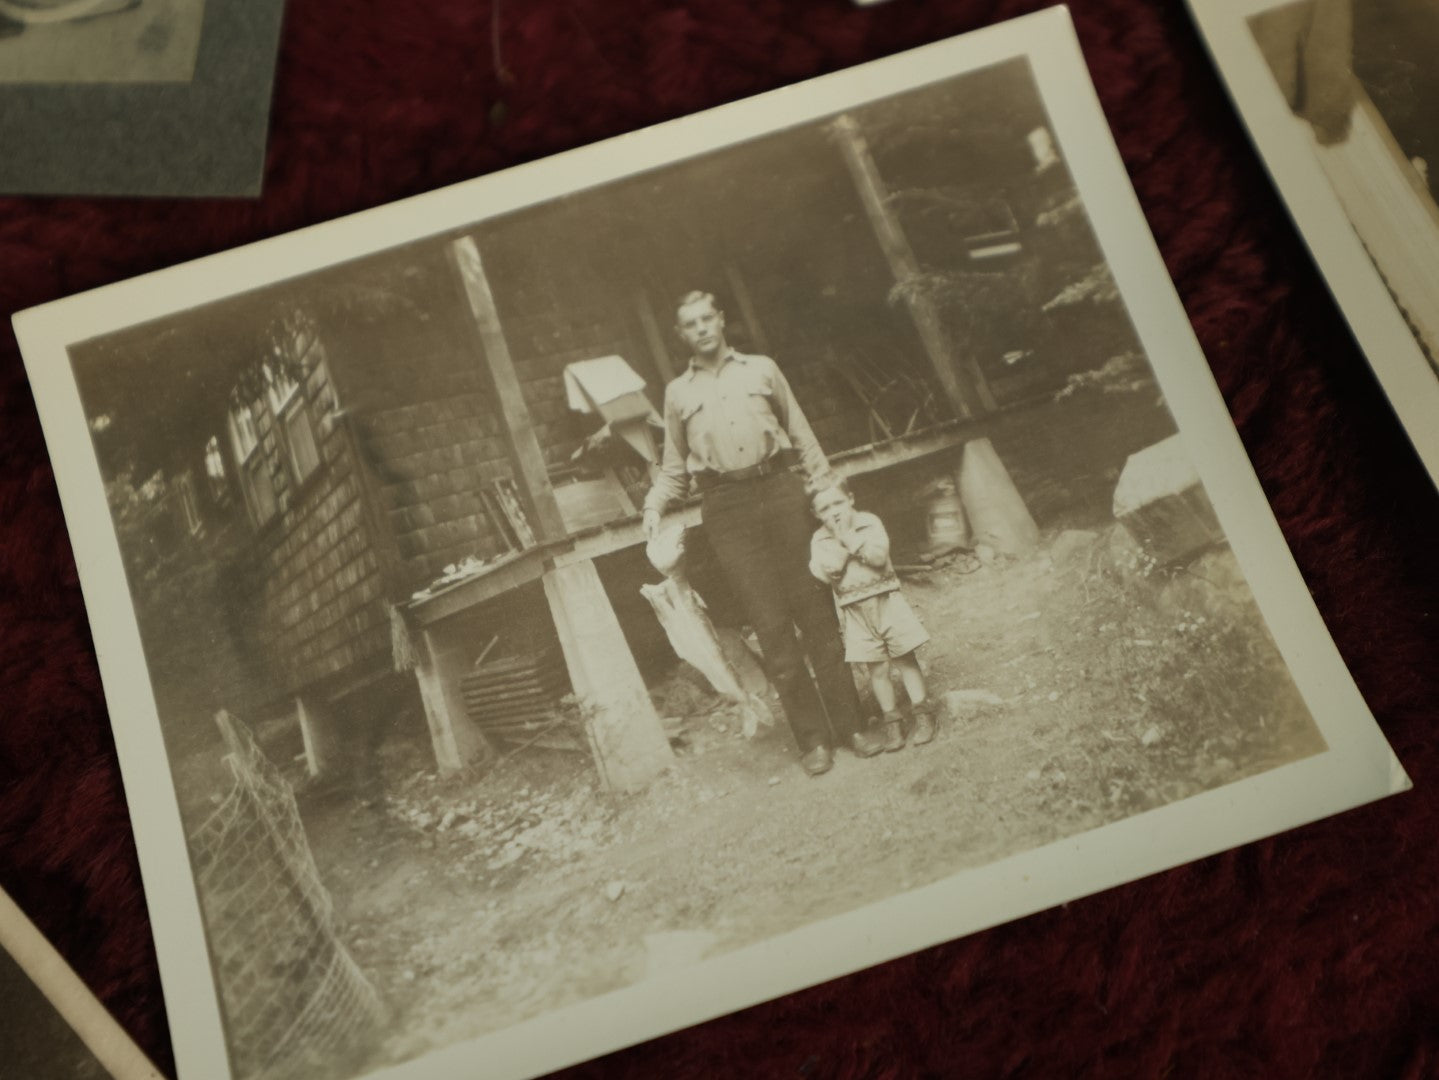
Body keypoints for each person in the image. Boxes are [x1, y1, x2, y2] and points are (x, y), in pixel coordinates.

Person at [643, 290, 886, 776]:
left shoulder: (763, 369)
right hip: (726, 509)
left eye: (707, 318)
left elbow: (804, 438)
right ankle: (812, 739)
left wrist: (827, 500)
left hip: (781, 492)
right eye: (690, 324)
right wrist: (654, 504)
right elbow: (673, 468)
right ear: (682, 335)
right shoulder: (677, 394)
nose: (702, 328)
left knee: (815, 613)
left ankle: (850, 725)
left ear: (722, 319)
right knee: (770, 624)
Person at [808, 478, 937, 749]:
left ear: (851, 499)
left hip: (886, 601)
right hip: (855, 612)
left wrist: (848, 537)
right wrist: (844, 545)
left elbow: (878, 558)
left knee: (904, 658)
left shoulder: (869, 522)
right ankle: (892, 721)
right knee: (876, 668)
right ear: (816, 514)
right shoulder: (819, 539)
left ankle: (923, 712)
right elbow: (828, 571)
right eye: (825, 509)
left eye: (838, 503)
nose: (834, 512)